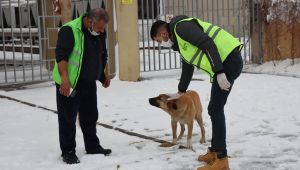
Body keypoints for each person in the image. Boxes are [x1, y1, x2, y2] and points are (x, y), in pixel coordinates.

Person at [150, 15, 243, 170]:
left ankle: (222, 160)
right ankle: (215, 152)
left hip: (228, 60)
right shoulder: (180, 41)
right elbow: (188, 66)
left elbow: (207, 43)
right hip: (224, 61)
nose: (161, 43)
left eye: (159, 40)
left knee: (215, 109)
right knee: (214, 108)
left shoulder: (180, 28)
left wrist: (219, 71)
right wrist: (180, 91)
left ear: (164, 34)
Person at [52, 8, 112, 164]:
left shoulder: (99, 31)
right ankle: (68, 151)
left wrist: (102, 75)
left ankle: (92, 146)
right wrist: (65, 78)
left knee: (90, 116)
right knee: (68, 118)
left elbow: (101, 53)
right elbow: (61, 56)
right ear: (89, 21)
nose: (101, 31)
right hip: (70, 83)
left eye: (103, 28)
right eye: (99, 28)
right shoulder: (69, 30)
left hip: (88, 82)